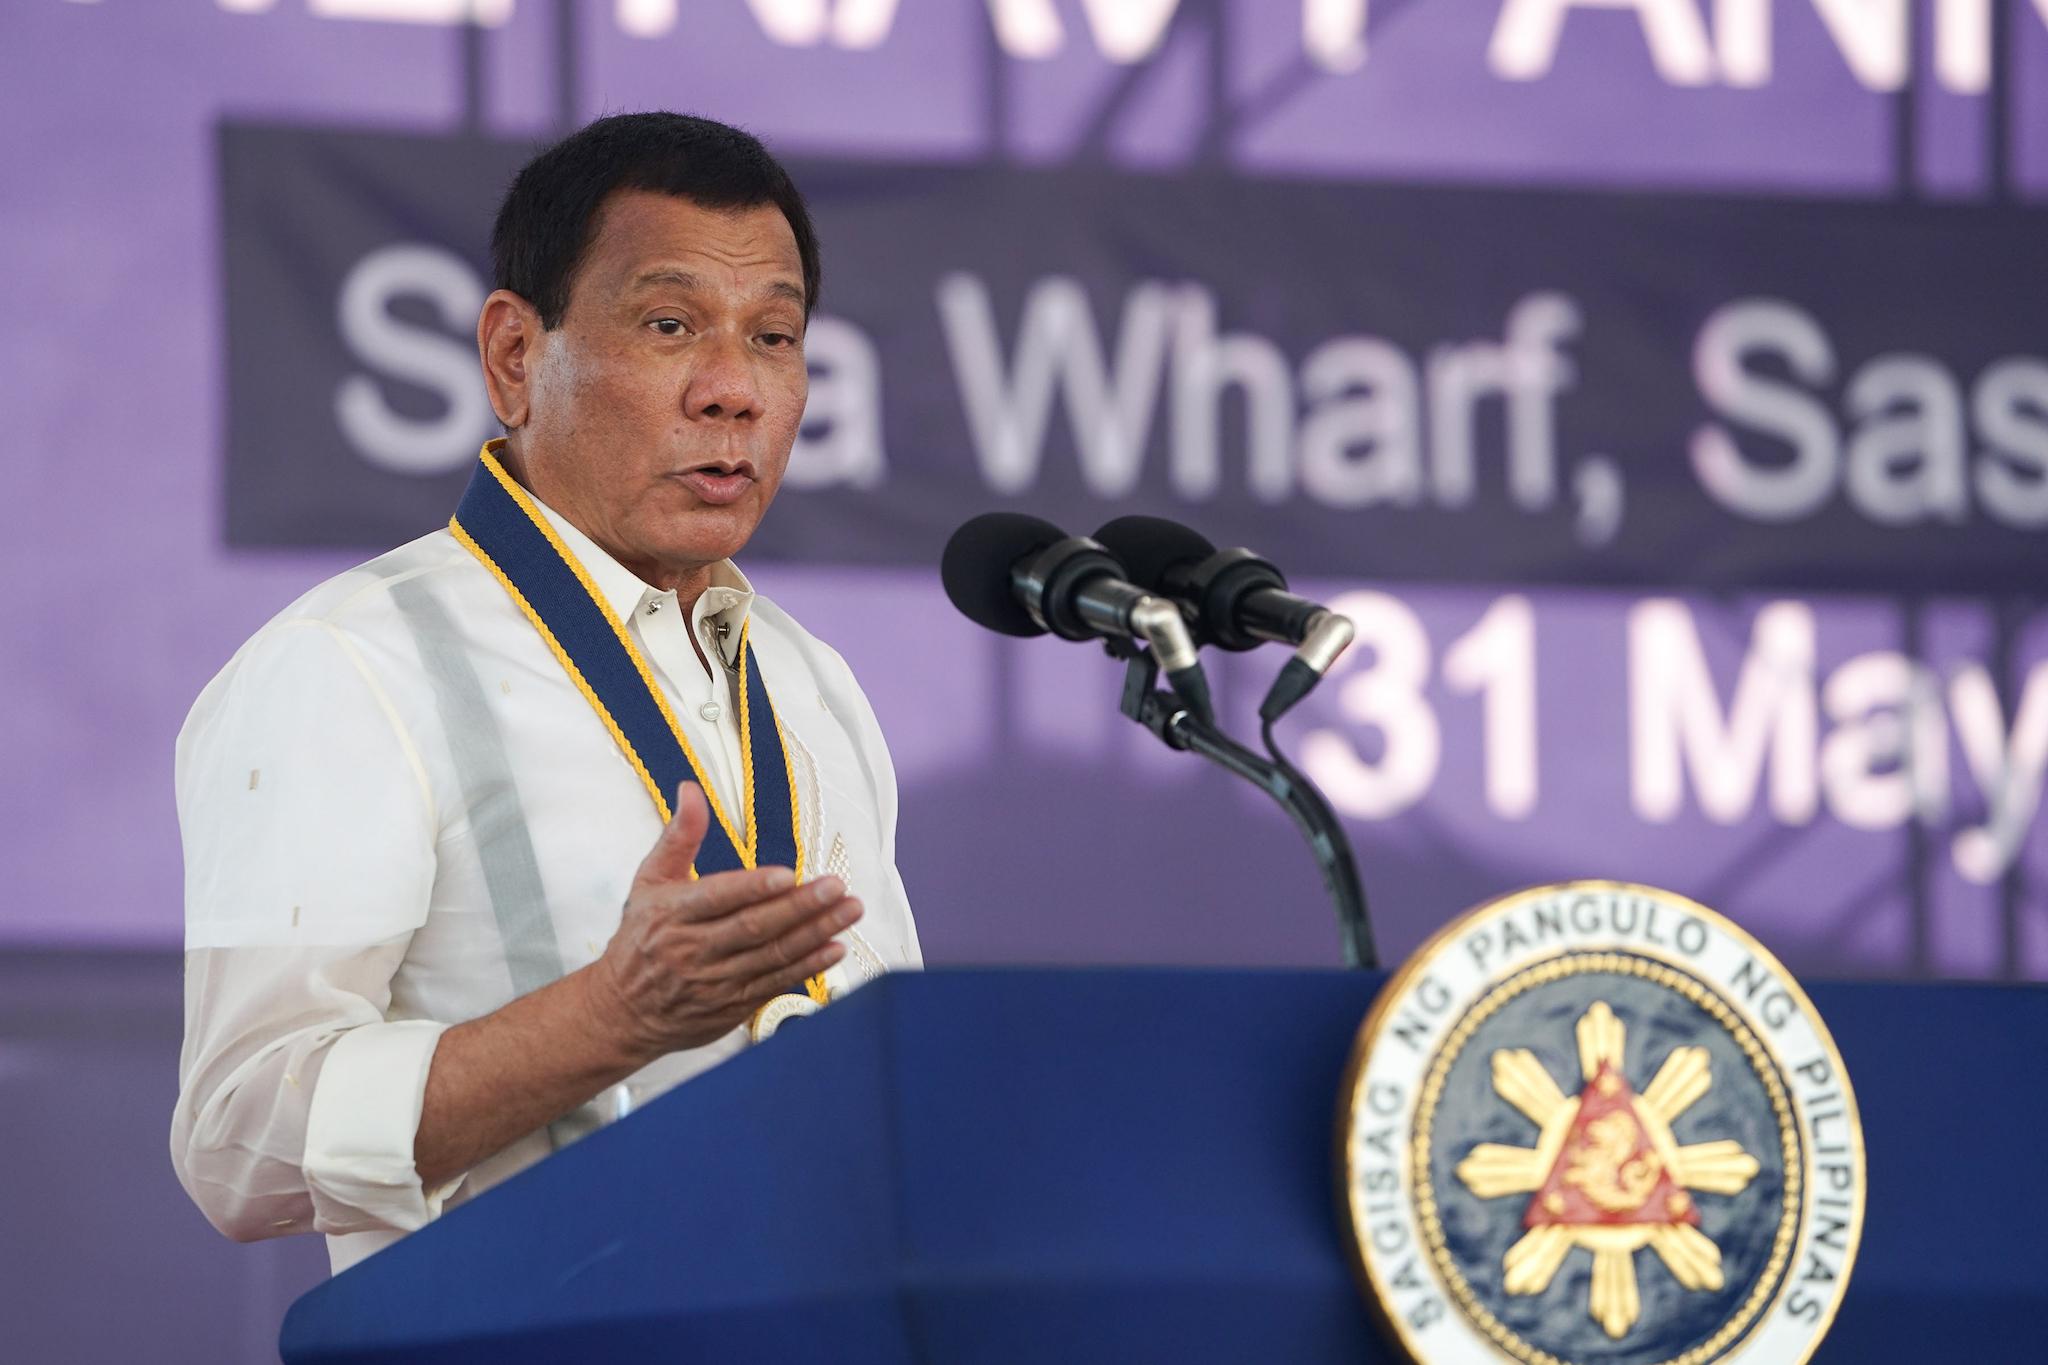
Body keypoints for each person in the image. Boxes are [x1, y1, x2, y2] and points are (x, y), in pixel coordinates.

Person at [171, 112, 920, 1273]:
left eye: (773, 336)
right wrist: (611, 1016)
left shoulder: (810, 680)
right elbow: (238, 1147)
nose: (732, 389)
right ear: (515, 357)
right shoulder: (353, 660)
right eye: (669, 325)